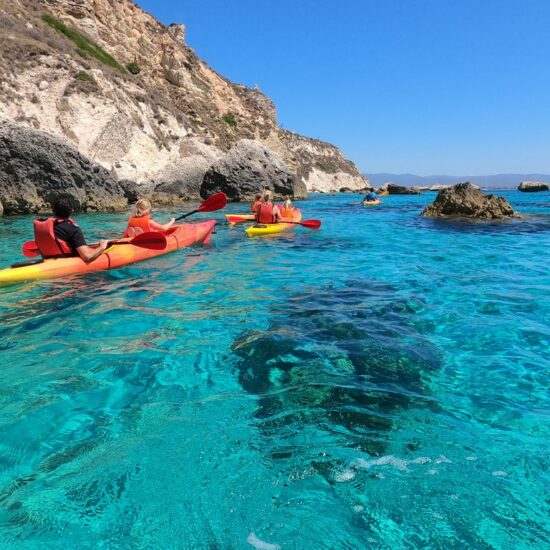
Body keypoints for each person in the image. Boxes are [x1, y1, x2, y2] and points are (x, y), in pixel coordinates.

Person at [33, 195, 109, 262]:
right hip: (69, 272)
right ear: (71, 211)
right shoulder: (72, 229)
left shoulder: (44, 226)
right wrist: (102, 246)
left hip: (48, 262)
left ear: (53, 210)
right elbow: (87, 256)